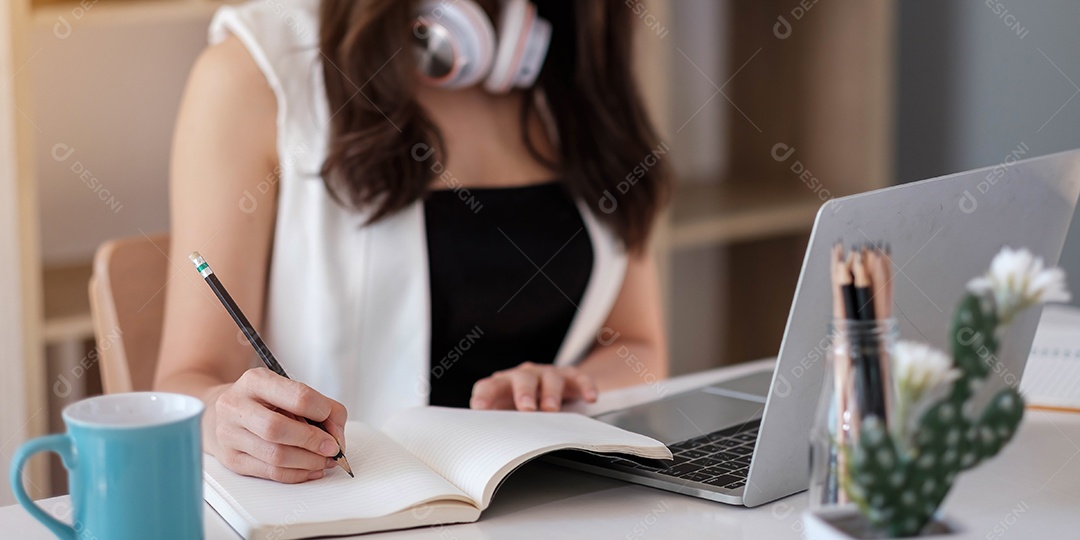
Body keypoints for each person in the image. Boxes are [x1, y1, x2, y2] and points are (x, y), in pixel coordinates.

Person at [154, 0, 670, 484]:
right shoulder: (256, 70)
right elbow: (185, 382)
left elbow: (637, 347)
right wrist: (229, 423)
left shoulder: (578, 64)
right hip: (358, 504)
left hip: (563, 495)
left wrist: (566, 388)